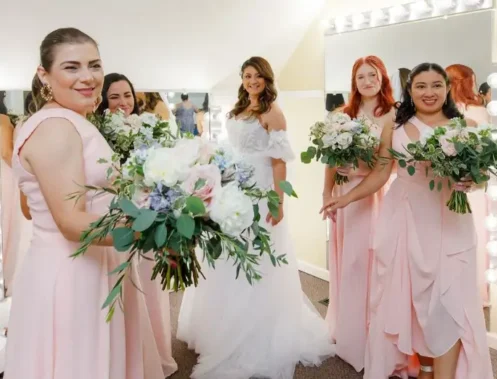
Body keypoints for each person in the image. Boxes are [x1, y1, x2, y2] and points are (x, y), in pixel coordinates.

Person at [4, 27, 177, 379]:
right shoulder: (56, 127)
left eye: (94, 65)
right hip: (74, 275)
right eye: (71, 67)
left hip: (95, 266)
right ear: (44, 75)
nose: (88, 77)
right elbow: (71, 223)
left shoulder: (68, 120)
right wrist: (160, 226)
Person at [322, 62, 492, 379]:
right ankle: (424, 368)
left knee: (449, 302)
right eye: (421, 86)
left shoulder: (464, 125)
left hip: (450, 222)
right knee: (412, 302)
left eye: (436, 85)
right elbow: (380, 174)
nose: (429, 92)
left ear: (446, 89)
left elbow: (480, 176)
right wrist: (344, 197)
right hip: (403, 219)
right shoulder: (396, 127)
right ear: (410, 91)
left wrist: (472, 182)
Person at [178, 56, 335, 379]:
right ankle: (222, 327)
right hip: (233, 188)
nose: (252, 81)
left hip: (261, 189)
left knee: (258, 257)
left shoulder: (272, 112)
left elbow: (279, 162)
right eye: (247, 76)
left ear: (266, 79)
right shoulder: (237, 110)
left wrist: (277, 202)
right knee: (226, 257)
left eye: (257, 76)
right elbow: (231, 148)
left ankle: (255, 333)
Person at [323, 55, 396, 372]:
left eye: (372, 75)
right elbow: (329, 157)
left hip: (369, 197)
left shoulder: (392, 117)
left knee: (365, 264)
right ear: (354, 82)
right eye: (361, 77)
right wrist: (327, 193)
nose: (367, 81)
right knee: (343, 262)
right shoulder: (344, 113)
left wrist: (350, 193)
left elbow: (383, 168)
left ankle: (367, 340)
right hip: (342, 195)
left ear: (383, 78)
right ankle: (347, 332)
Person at [446, 63, 491, 307]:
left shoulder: (443, 114)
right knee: (475, 235)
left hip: (455, 184)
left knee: (454, 235)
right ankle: (474, 289)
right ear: (466, 82)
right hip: (473, 184)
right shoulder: (479, 111)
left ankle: (454, 287)